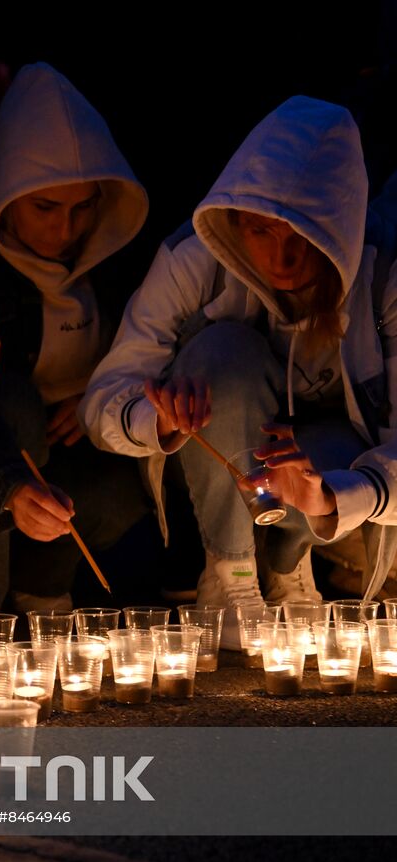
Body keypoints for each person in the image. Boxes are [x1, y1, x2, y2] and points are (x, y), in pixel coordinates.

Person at [82, 96, 397, 637]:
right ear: (234, 222)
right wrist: (156, 419)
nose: (281, 259)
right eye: (260, 231)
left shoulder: (383, 276)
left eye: (304, 236)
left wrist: (329, 496)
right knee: (221, 352)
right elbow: (106, 396)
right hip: (213, 469)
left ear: (340, 226)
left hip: (334, 477)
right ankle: (231, 574)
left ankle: (288, 563)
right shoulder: (194, 258)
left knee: (330, 462)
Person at [0, 63, 151, 612]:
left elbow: (161, 344)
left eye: (82, 207)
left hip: (80, 454)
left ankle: (41, 589)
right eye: (45, 207)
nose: (66, 230)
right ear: (6, 192)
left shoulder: (119, 259)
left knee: (118, 489)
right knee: (13, 402)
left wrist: (104, 392)